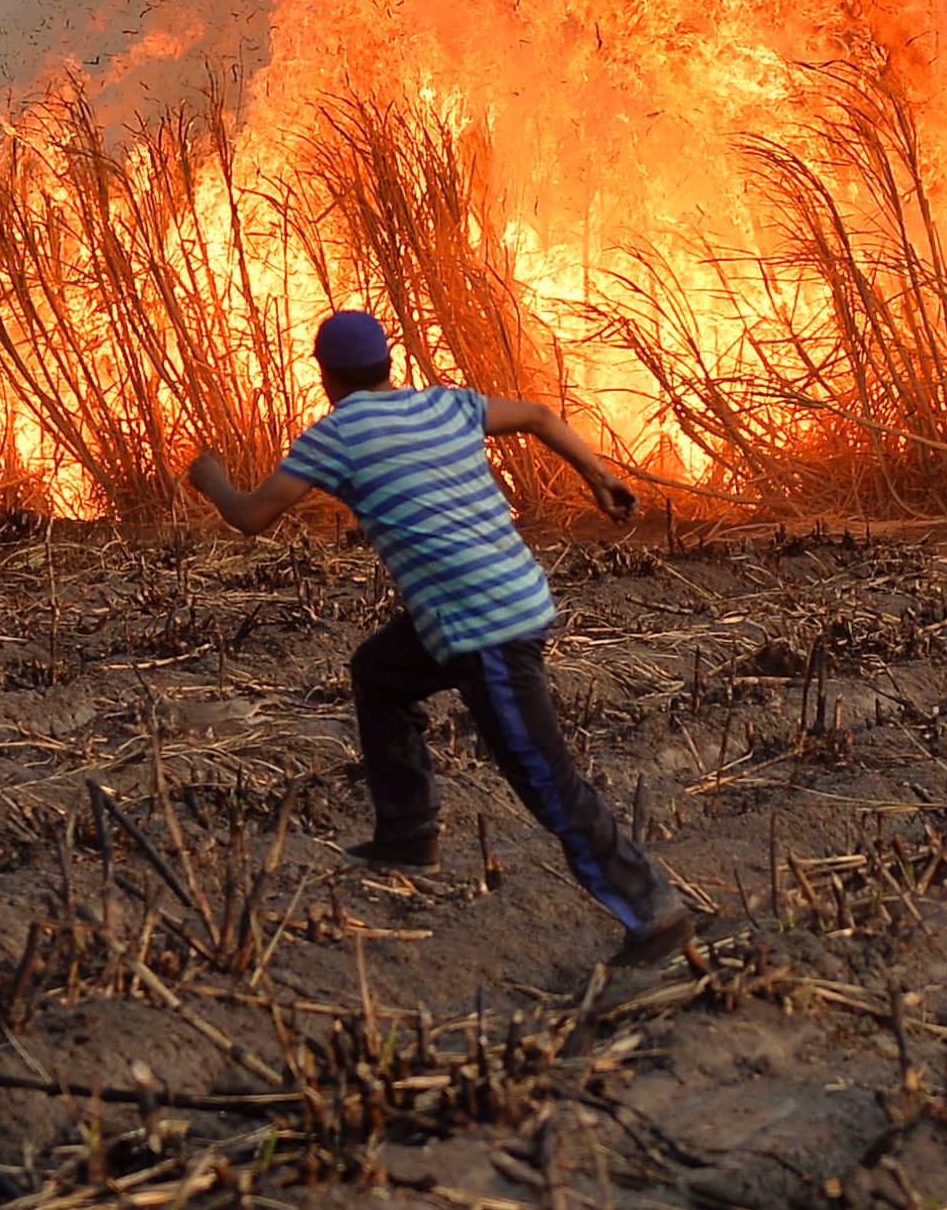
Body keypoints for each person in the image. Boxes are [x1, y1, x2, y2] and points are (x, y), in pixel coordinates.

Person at [184, 308, 697, 965]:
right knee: (378, 669)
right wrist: (599, 477)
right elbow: (540, 415)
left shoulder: (335, 434)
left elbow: (253, 515)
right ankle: (407, 829)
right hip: (505, 597)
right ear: (388, 365)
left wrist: (212, 480)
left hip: (486, 627)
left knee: (545, 777)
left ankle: (652, 912)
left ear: (325, 376)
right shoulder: (444, 406)